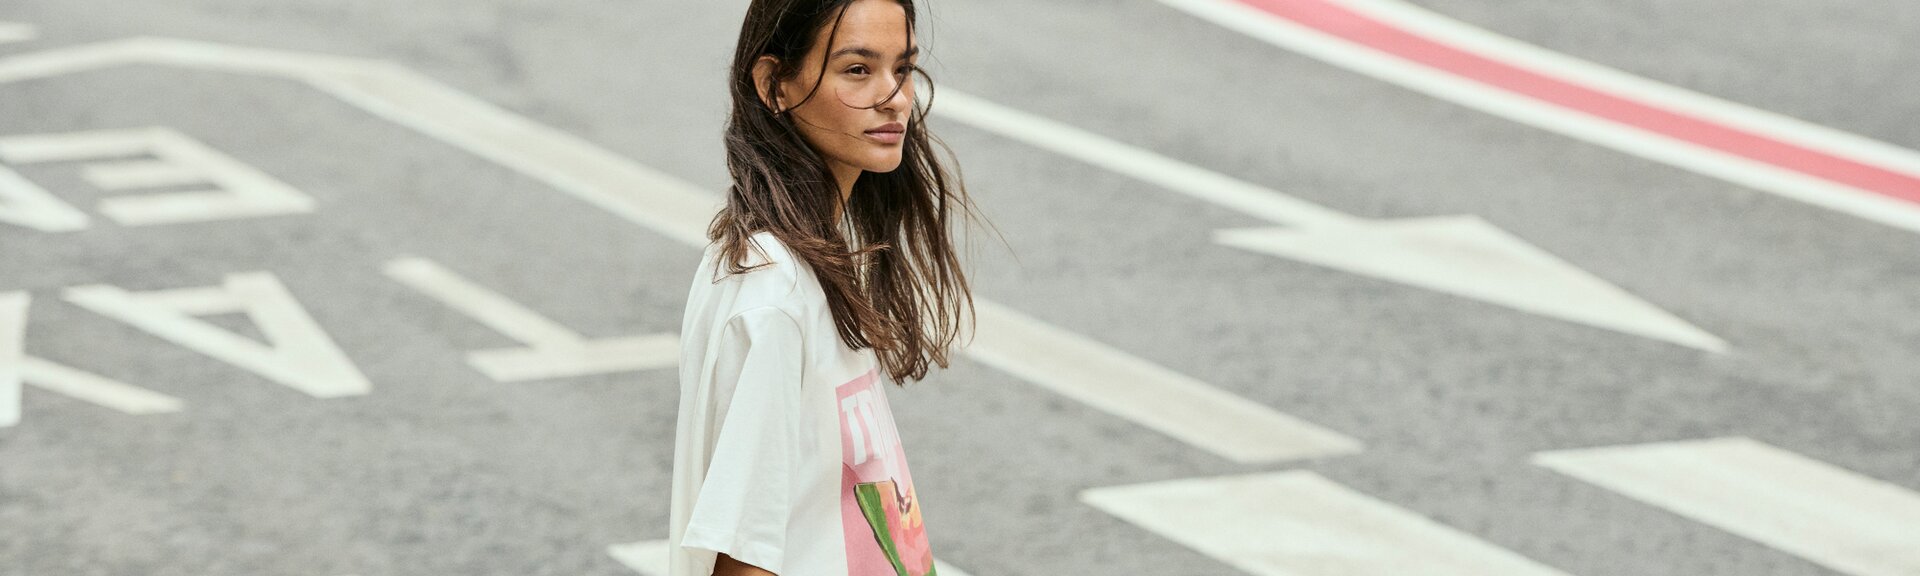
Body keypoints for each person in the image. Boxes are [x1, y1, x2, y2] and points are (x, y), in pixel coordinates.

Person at [667, 0, 991, 575]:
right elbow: (742, 556)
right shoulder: (775, 296)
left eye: (904, 67)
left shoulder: (819, 256)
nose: (893, 96)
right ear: (775, 85)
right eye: (857, 70)